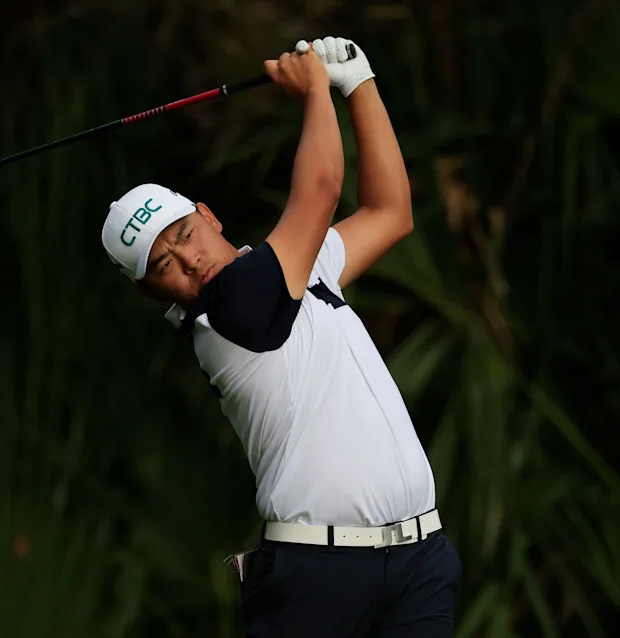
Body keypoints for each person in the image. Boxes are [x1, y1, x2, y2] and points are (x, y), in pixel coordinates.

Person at [100, 36, 462, 637]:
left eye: (184, 235)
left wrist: (359, 83)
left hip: (419, 560)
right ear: (150, 291)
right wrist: (316, 89)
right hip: (320, 574)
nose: (189, 261)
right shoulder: (225, 315)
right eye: (163, 264)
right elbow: (320, 188)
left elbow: (389, 213)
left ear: (208, 215)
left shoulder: (296, 269)